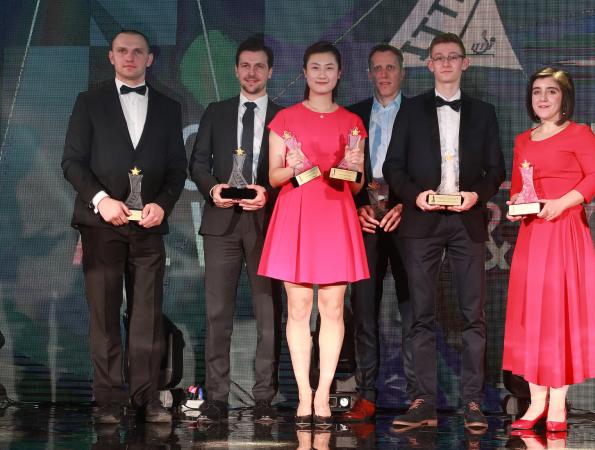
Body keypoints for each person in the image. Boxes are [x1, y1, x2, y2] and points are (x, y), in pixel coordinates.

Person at [61, 29, 187, 424]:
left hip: (149, 227)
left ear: (150, 59)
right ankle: (109, 401)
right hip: (102, 226)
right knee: (104, 314)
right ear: (111, 58)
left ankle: (146, 398)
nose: (130, 57)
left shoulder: (169, 107)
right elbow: (72, 162)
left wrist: (162, 206)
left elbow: (176, 170)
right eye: (122, 51)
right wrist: (102, 201)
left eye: (138, 51)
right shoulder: (89, 101)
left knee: (147, 315)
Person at [383, 33, 505, 431]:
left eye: (454, 57)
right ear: (430, 65)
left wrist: (476, 195)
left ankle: (472, 402)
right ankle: (422, 402)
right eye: (439, 57)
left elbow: (496, 171)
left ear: (465, 63)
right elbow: (393, 168)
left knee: (473, 315)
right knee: (420, 314)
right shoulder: (412, 110)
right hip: (422, 223)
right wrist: (416, 197)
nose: (447, 63)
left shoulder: (484, 112)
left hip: (467, 221)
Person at [257, 41, 368, 429]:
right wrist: (295, 165)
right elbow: (272, 177)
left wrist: (352, 167)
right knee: (299, 310)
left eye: (329, 68)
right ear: (304, 74)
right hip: (296, 215)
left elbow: (356, 187)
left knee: (334, 309)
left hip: (336, 214)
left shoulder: (352, 123)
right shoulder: (284, 119)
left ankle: (324, 393)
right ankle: (303, 393)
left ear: (339, 75)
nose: (322, 74)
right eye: (315, 68)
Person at [502, 67, 595, 434]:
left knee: (558, 318)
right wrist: (517, 204)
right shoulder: (523, 140)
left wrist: (562, 203)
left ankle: (558, 404)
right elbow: (518, 187)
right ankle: (536, 403)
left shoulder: (580, 134)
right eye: (536, 92)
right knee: (532, 317)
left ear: (565, 98)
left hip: (564, 232)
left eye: (551, 91)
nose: (543, 98)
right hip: (532, 236)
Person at [189, 36, 283, 423]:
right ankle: (216, 396)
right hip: (221, 222)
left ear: (270, 71)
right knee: (217, 314)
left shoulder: (284, 117)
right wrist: (213, 189)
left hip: (266, 223)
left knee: (268, 314)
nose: (251, 72)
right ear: (236, 70)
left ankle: (265, 398)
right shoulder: (216, 111)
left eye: (259, 66)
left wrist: (269, 192)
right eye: (245, 65)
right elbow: (197, 162)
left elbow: (290, 172)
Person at [341, 43, 416, 422]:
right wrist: (357, 208)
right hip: (366, 221)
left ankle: (419, 396)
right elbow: (340, 172)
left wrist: (408, 204)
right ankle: (366, 393)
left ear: (402, 72)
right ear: (369, 74)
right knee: (365, 310)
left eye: (390, 67)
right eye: (377, 68)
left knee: (412, 309)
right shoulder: (352, 114)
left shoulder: (420, 113)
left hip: (408, 221)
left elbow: (430, 167)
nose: (384, 74)